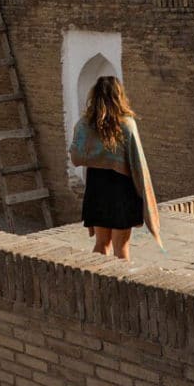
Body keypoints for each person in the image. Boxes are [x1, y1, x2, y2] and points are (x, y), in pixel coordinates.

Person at [70, 75, 162, 262]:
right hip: (122, 191)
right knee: (121, 248)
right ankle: (121, 288)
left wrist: (97, 157)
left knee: (101, 244)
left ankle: (98, 284)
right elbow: (137, 161)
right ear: (119, 96)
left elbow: (75, 156)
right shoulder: (127, 125)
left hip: (97, 189)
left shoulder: (83, 125)